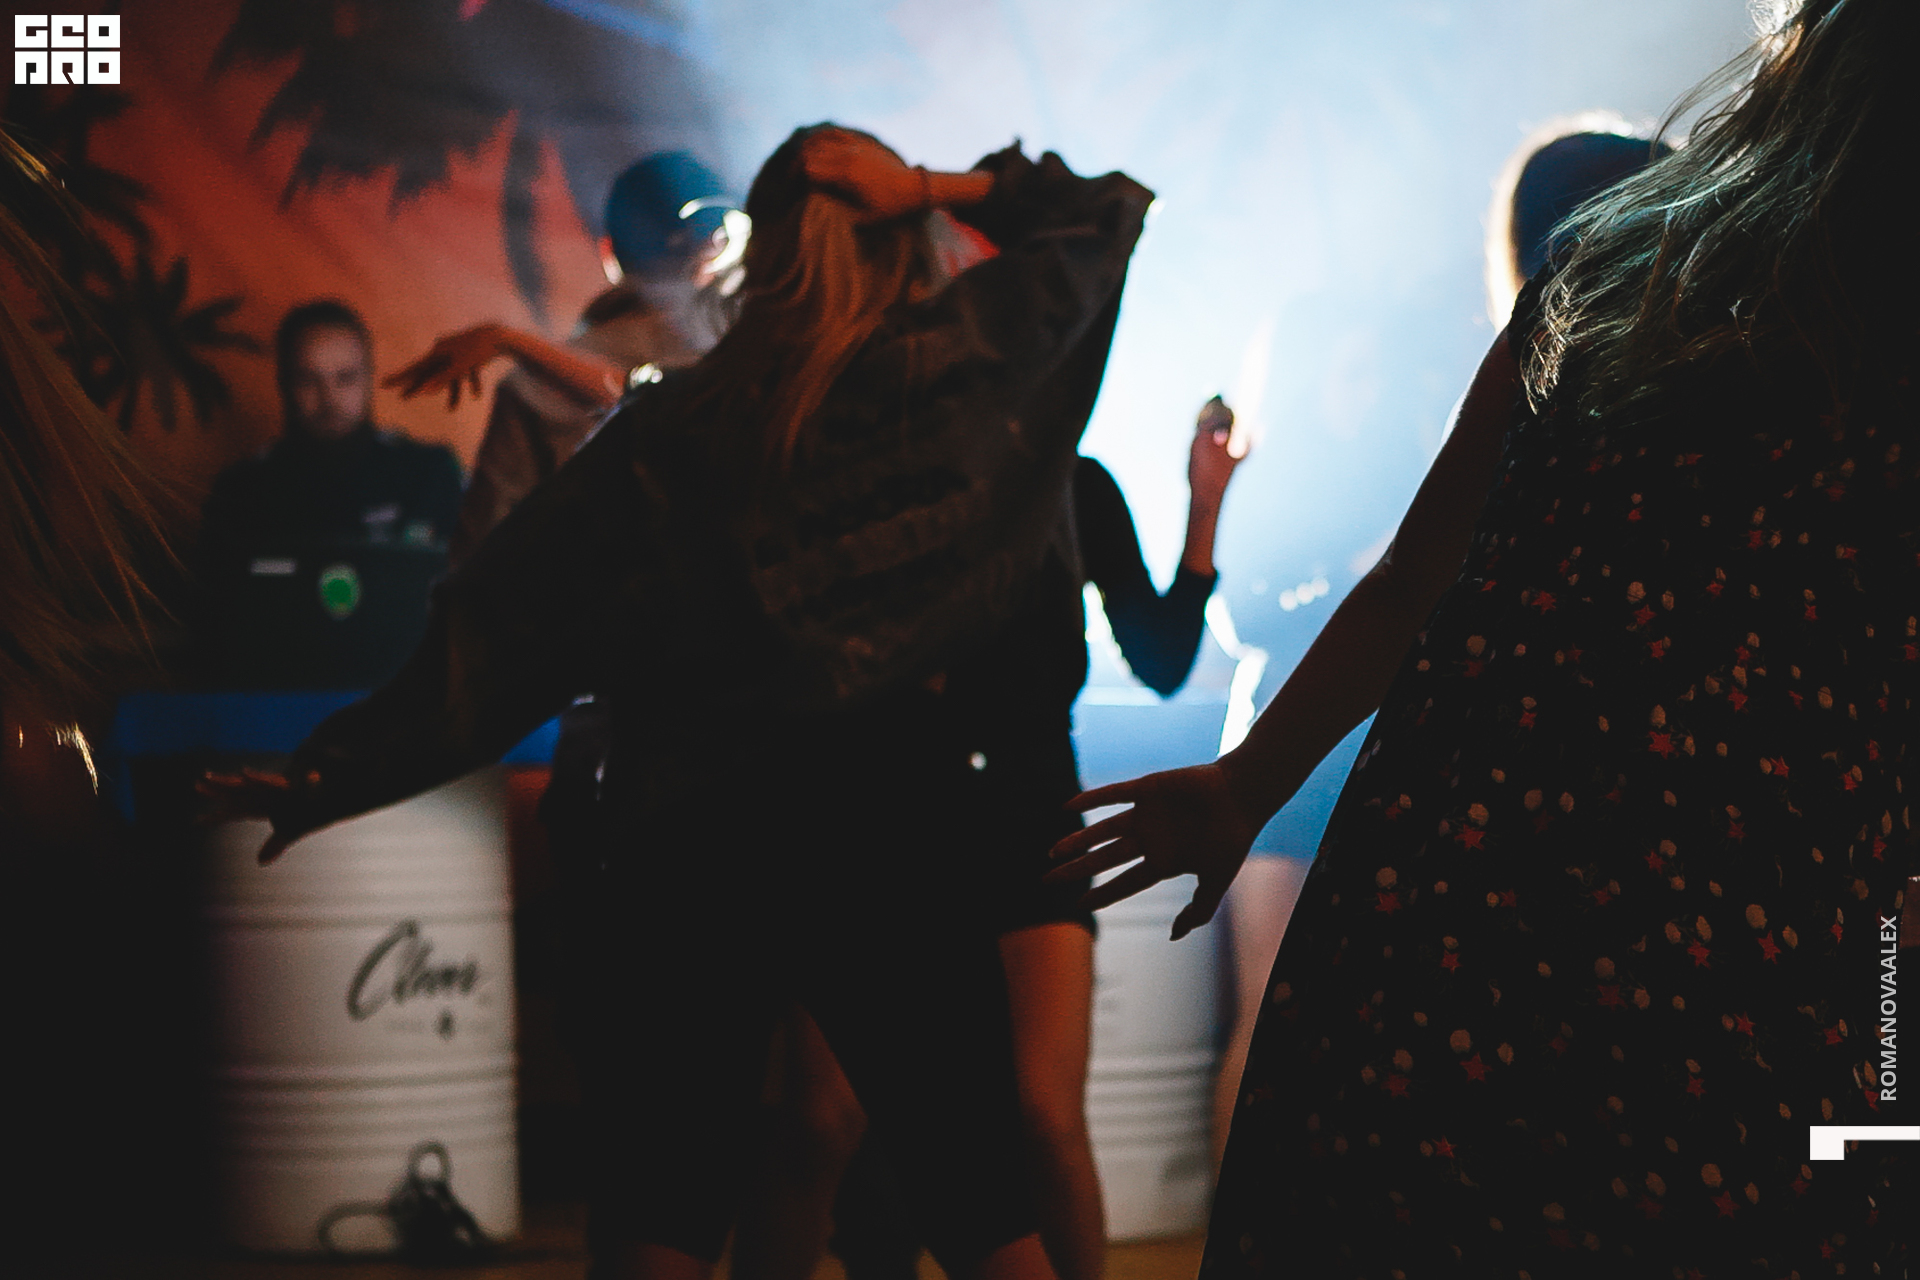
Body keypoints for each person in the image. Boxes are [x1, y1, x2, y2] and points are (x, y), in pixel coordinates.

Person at [202, 125, 1153, 1280]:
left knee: (663, 1213)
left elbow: (499, 629)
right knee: (987, 1210)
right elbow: (1103, 214)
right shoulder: (940, 398)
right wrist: (927, 185)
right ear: (905, 245)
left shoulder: (668, 435)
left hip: (689, 829)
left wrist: (338, 770)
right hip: (889, 824)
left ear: (760, 258)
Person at [1051, 2, 1914, 1275]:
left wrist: (1246, 781)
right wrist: (1891, 1112)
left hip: (1462, 880)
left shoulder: (1613, 270)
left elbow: (1414, 580)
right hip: (1751, 929)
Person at [738, 399, 1245, 1280]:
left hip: (1029, 819)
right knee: (824, 1120)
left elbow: (1161, 660)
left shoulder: (1077, 488)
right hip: (880, 817)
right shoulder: (885, 482)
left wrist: (1204, 502)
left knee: (1046, 1118)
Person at [386, 150, 746, 564]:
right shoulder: (752, 359)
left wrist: (512, 342)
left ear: (609, 252)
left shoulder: (531, 386)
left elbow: (479, 554)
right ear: (720, 244)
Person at [200, 300, 464, 553]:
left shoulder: (429, 474)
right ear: (284, 384)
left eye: (345, 378)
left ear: (368, 378)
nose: (329, 397)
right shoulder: (241, 491)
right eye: (308, 379)